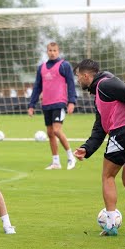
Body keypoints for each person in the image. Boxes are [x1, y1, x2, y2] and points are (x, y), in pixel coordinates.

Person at [73, 59, 125, 236]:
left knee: (108, 176)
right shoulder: (100, 95)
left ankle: (110, 226)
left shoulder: (106, 84)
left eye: (78, 76)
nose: (78, 80)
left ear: (86, 76)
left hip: (124, 133)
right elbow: (100, 128)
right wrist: (86, 149)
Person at [28, 41, 77, 170]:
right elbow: (37, 87)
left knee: (56, 130)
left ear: (58, 51)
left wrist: (72, 101)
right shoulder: (41, 67)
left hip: (59, 103)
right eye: (50, 50)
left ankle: (71, 157)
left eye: (55, 50)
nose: (52, 52)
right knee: (50, 133)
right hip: (46, 104)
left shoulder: (64, 65)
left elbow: (71, 84)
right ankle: (56, 162)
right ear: (47, 51)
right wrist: (31, 105)